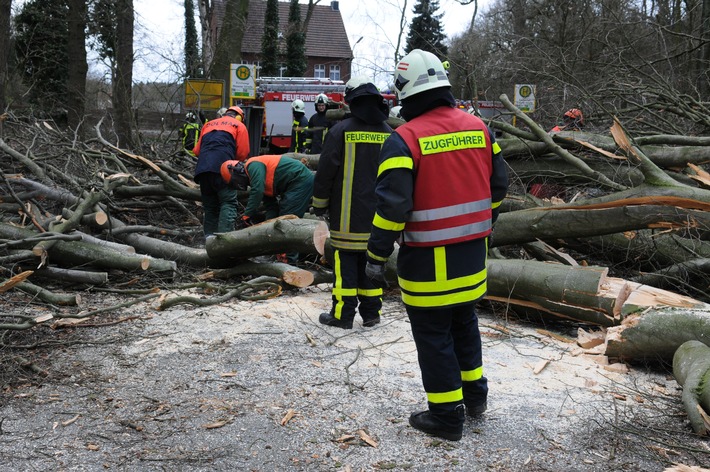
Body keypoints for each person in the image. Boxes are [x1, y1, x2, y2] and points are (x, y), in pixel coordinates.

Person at [365, 49, 509, 441]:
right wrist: (483, 221)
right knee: (464, 324)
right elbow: (500, 186)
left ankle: (446, 417)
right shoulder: (480, 128)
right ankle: (475, 399)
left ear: (407, 93)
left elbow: (392, 208)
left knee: (433, 336)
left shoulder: (404, 139)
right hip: (472, 259)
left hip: (429, 265)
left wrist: (376, 255)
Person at [311, 76, 392, 330]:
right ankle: (371, 315)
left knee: (345, 266)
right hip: (379, 219)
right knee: (372, 263)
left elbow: (325, 172)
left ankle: (343, 315)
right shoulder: (390, 134)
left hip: (346, 218)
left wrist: (320, 204)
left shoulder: (339, 131)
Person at [221, 155, 314, 263]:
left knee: (288, 224)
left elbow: (258, 191)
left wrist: (247, 214)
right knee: (282, 221)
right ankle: (283, 258)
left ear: (235, 172)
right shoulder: (259, 179)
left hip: (299, 180)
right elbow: (271, 207)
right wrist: (268, 227)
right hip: (293, 184)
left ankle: (290, 263)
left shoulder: (253, 165)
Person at [193, 106, 251, 238]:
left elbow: (196, 151)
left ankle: (209, 240)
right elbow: (242, 153)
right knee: (228, 202)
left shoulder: (208, 124)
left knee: (210, 206)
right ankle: (224, 240)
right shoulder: (239, 125)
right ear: (239, 117)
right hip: (224, 168)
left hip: (203, 169)